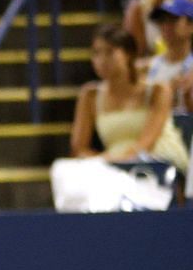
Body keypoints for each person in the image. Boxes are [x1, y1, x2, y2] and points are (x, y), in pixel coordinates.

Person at [66, 25, 188, 171]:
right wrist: (102, 161)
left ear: (128, 54)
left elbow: (145, 146)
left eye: (110, 52)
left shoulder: (158, 90)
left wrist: (107, 161)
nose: (102, 60)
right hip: (115, 167)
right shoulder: (89, 95)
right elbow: (79, 149)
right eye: (96, 53)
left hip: (159, 164)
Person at [143, 0, 193, 113]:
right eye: (162, 20)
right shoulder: (148, 67)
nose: (166, 26)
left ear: (190, 26)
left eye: (173, 20)